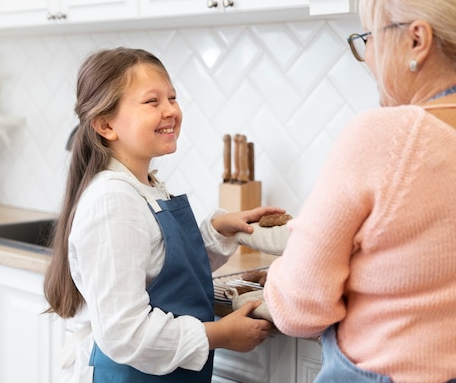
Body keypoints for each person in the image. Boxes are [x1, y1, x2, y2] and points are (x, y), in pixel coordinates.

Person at [263, 0, 456, 382]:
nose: (367, 56)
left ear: (416, 40)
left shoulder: (386, 135)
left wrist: (279, 278)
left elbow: (300, 308)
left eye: (369, 37)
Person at [44, 47, 281, 383]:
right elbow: (125, 333)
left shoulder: (145, 187)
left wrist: (217, 230)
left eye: (172, 97)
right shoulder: (113, 201)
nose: (170, 110)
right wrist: (219, 335)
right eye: (151, 102)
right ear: (106, 124)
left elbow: (165, 270)